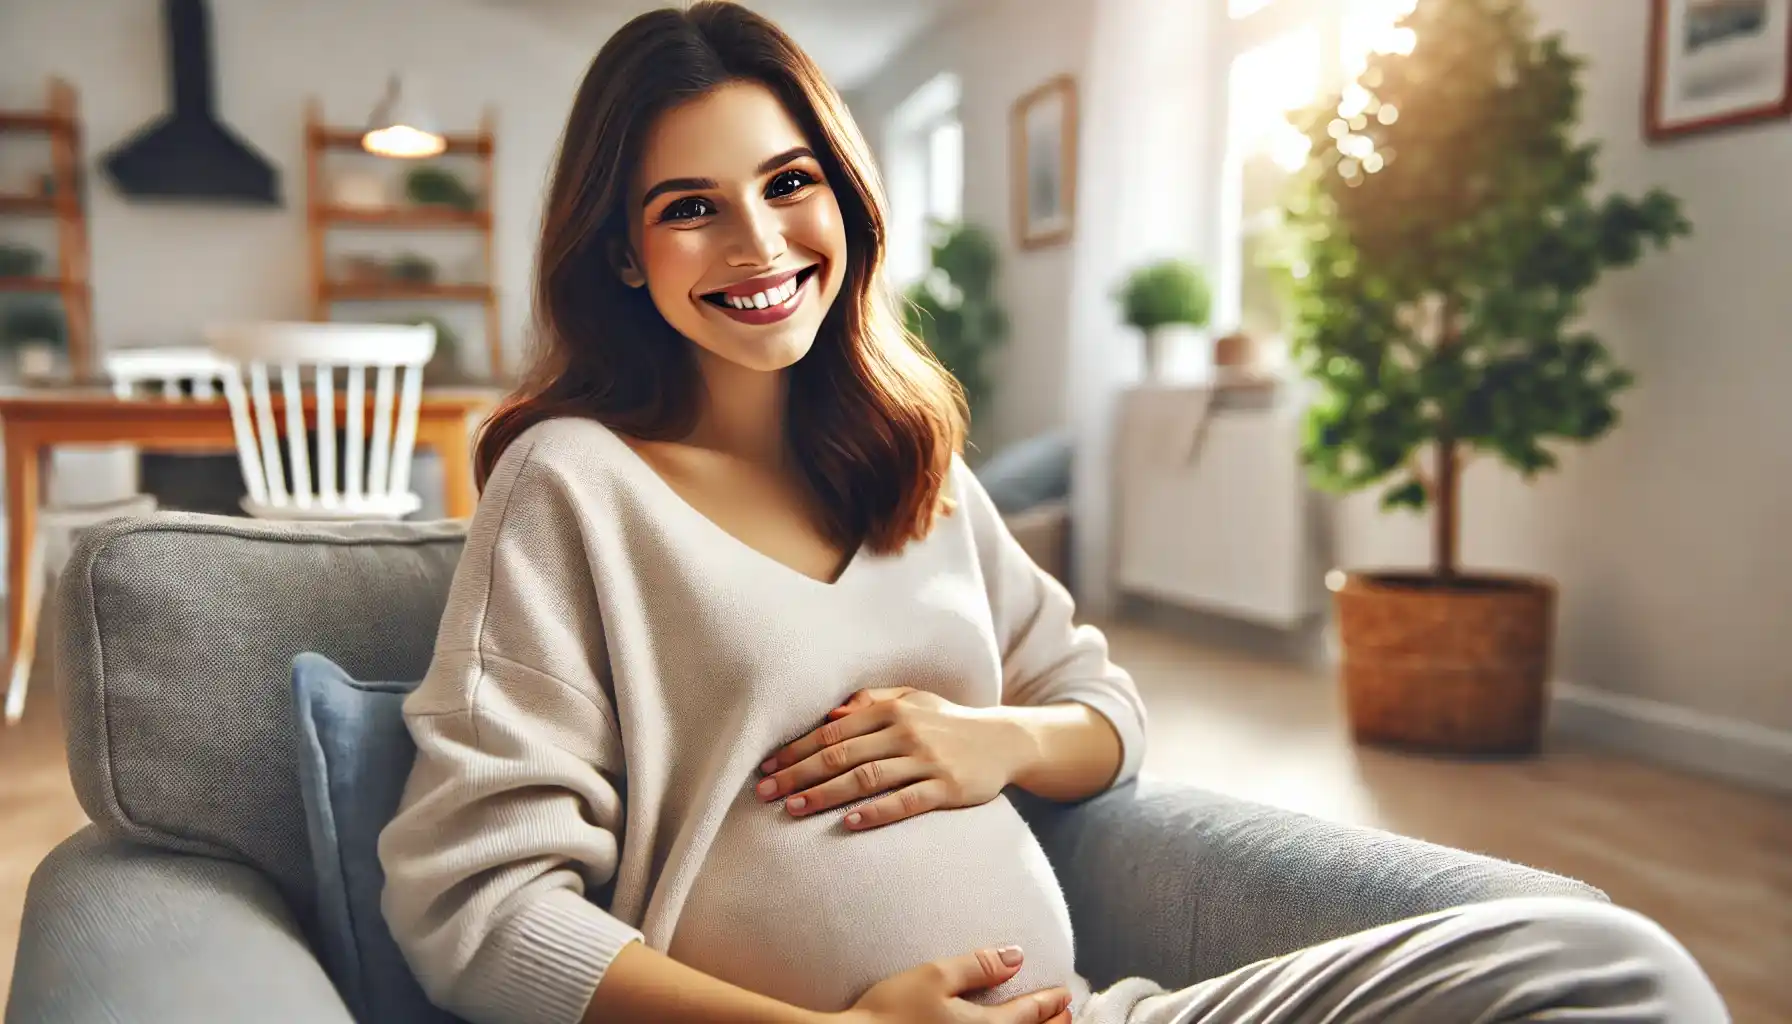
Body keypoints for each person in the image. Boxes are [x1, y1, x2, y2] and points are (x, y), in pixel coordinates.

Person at [377, 4, 1729, 1024]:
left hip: (1092, 1009)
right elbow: (478, 909)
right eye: (690, 209)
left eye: (790, 183)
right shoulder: (571, 487)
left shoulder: (912, 469)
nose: (759, 243)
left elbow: (1110, 717)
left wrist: (996, 739)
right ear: (622, 250)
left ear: (844, 193)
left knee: (1605, 956)